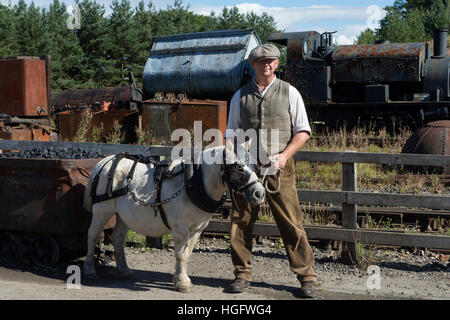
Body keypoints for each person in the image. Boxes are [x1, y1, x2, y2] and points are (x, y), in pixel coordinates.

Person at [225, 43, 318, 298]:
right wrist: (236, 165)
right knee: (241, 222)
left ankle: (306, 276)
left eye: (271, 61)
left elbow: (303, 131)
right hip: (247, 171)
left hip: (279, 171)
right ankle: (241, 274)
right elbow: (231, 136)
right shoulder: (239, 96)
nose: (266, 64)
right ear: (252, 65)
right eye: (261, 61)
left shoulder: (290, 93)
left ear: (276, 64)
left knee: (291, 222)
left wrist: (285, 156)